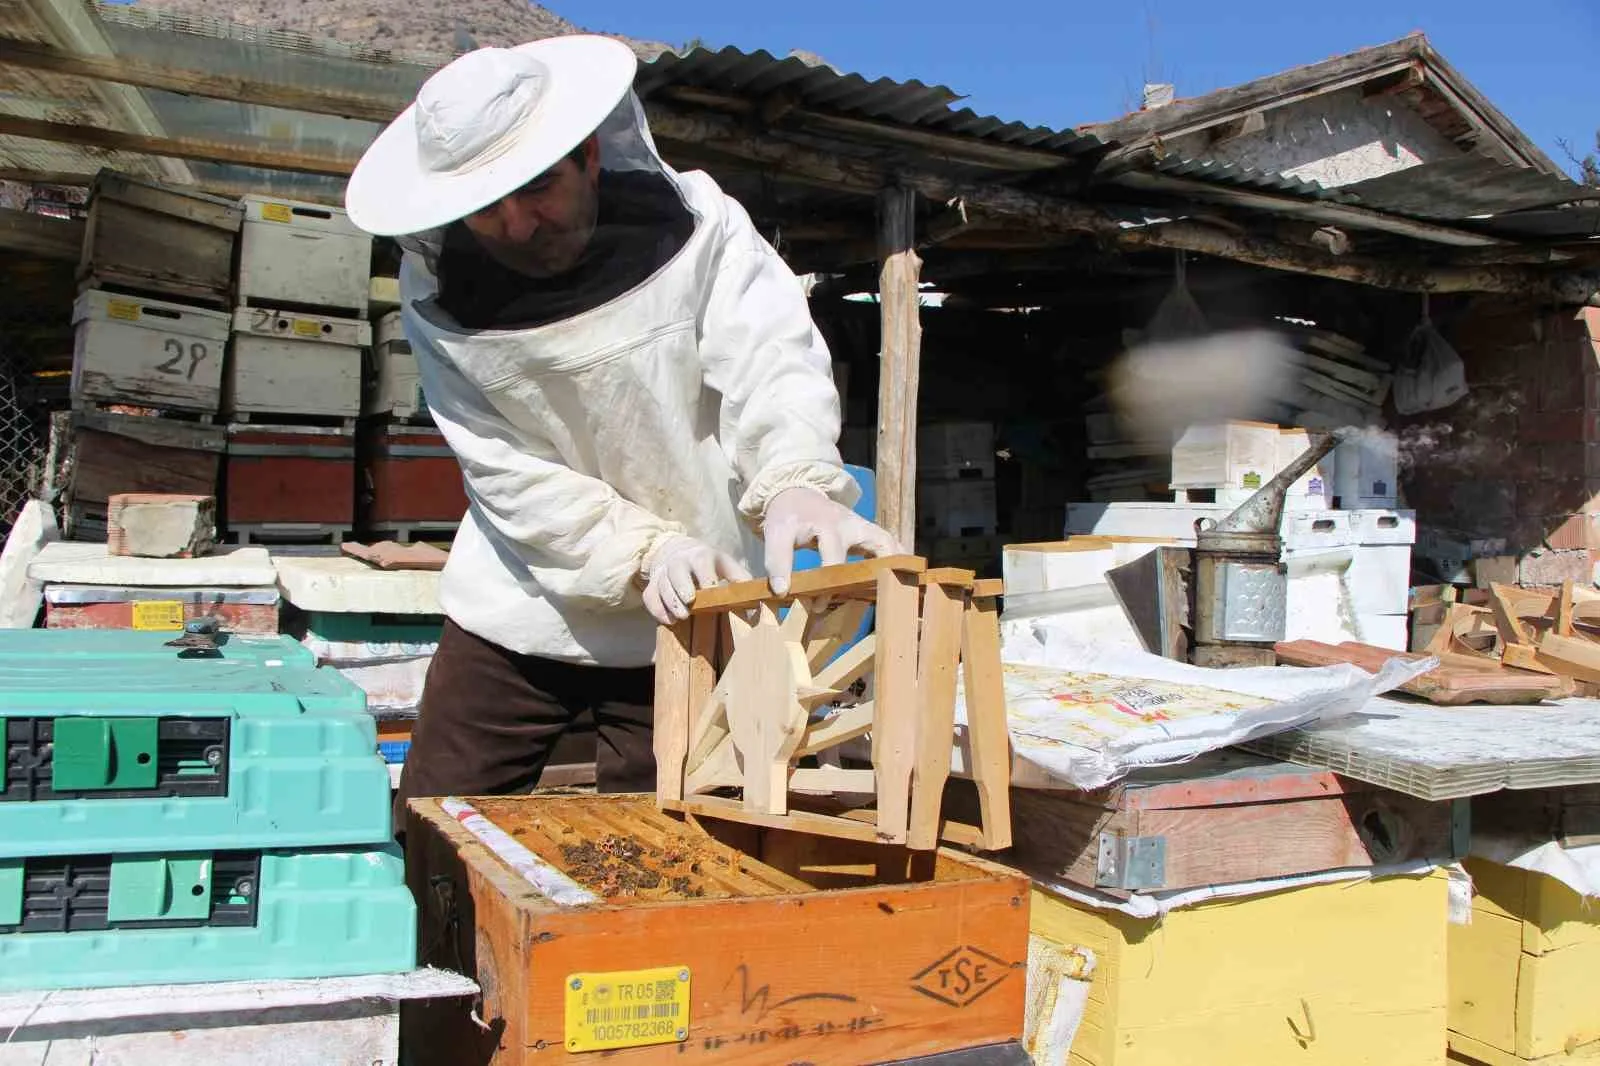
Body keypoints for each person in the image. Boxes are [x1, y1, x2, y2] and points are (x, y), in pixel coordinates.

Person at [342, 34, 901, 825]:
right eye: (485, 209)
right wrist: (644, 551)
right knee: (435, 826)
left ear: (591, 158)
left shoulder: (704, 227)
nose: (516, 225)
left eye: (538, 189)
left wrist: (796, 480)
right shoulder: (437, 291)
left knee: (676, 848)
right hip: (519, 603)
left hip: (695, 608)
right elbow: (503, 466)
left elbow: (770, 360)